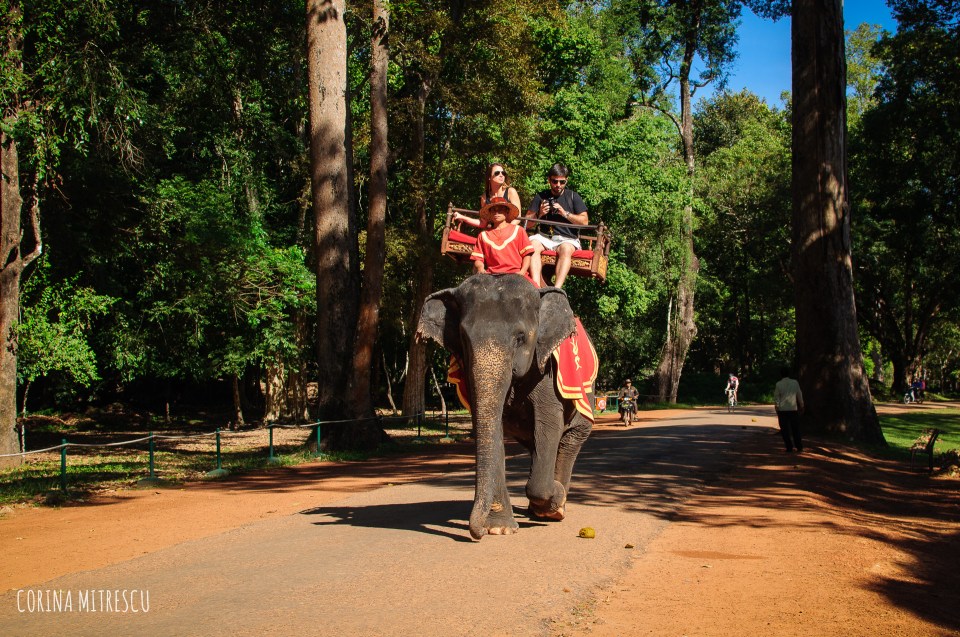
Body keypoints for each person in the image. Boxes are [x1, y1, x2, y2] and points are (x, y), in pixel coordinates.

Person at [526, 163, 589, 288]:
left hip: (567, 238)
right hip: (544, 237)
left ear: (566, 180)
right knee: (532, 245)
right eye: (555, 181)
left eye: (562, 182)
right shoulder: (541, 196)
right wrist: (539, 214)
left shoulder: (573, 196)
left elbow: (585, 222)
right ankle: (536, 286)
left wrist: (565, 213)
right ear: (549, 180)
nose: (558, 185)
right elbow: (527, 223)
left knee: (565, 249)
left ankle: (557, 289)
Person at [469, 196, 534, 280]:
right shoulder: (483, 235)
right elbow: (478, 259)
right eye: (493, 210)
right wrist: (481, 268)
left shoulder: (519, 230)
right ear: (490, 213)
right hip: (491, 276)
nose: (496, 213)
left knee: (535, 291)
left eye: (500, 209)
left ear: (507, 212)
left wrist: (522, 272)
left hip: (516, 275)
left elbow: (527, 254)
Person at [453, 163, 523, 229]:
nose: (501, 175)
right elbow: (483, 223)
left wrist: (505, 230)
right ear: (489, 177)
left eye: (503, 173)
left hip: (510, 230)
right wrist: (462, 217)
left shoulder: (510, 191)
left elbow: (518, 218)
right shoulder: (485, 197)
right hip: (493, 233)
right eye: (497, 173)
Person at [774, 366, 805, 453]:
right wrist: (802, 405)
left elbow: (776, 397)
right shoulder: (795, 382)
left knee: (784, 430)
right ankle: (799, 447)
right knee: (795, 429)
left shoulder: (778, 384)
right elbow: (799, 394)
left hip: (782, 410)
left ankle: (789, 447)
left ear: (781, 374)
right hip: (793, 409)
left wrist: (776, 407)